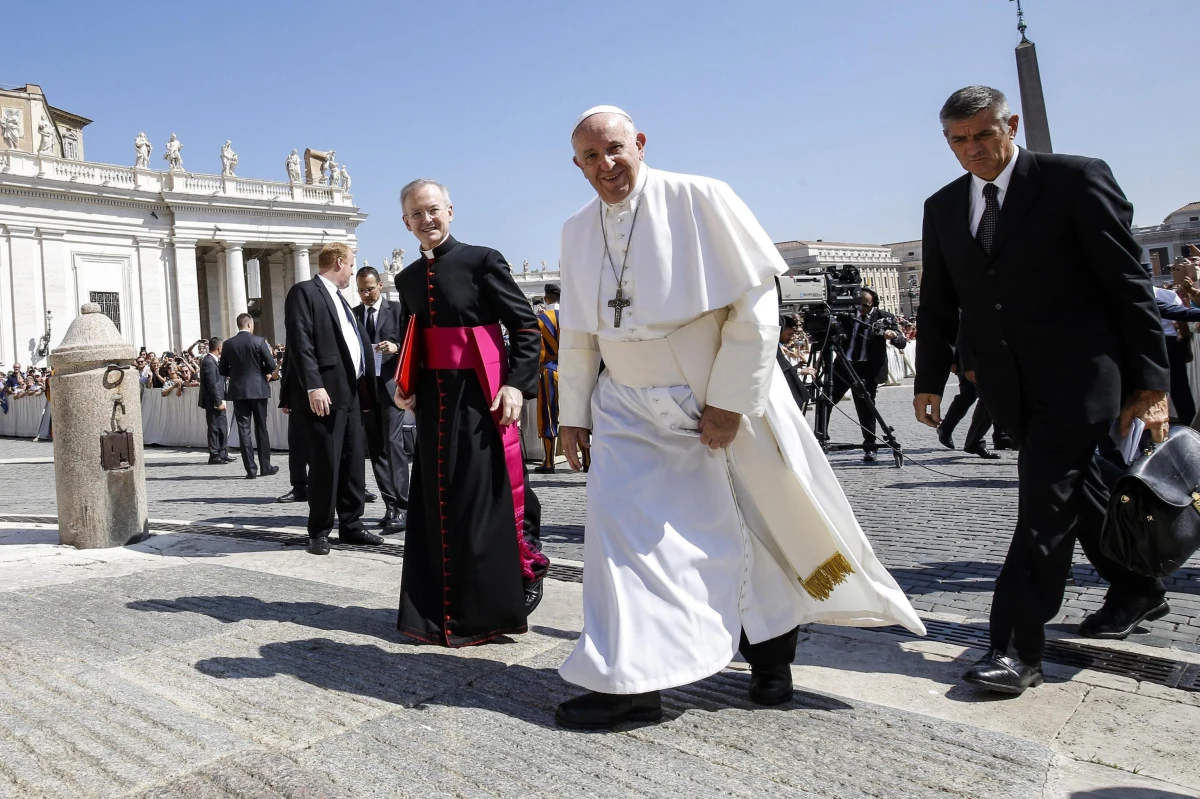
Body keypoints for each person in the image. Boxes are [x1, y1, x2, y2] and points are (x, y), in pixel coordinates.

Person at [554, 106, 923, 729]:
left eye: (614, 149)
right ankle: (631, 681)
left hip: (712, 393)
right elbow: (580, 336)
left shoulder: (702, 198)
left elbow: (754, 309)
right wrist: (573, 416)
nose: (605, 166)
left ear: (640, 143)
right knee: (621, 542)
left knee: (753, 527)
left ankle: (771, 657)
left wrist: (729, 402)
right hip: (625, 407)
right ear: (576, 164)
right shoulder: (575, 228)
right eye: (590, 157)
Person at [915, 86, 1171, 696]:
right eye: (958, 140)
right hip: (1008, 385)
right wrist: (928, 379)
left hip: (1081, 377)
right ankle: (1139, 588)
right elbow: (939, 302)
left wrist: (1152, 382)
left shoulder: (1075, 179)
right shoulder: (943, 205)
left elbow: (1128, 282)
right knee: (1077, 491)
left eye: (983, 134)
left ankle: (1014, 648)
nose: (973, 150)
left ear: (1012, 124)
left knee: (1044, 507)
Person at [392, 178, 549, 647]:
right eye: (417, 215)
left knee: (484, 504)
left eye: (434, 210)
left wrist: (517, 386)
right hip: (437, 406)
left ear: (450, 211)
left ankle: (490, 607)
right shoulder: (407, 280)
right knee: (438, 507)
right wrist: (404, 388)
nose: (427, 220)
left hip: (482, 402)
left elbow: (525, 327)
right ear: (406, 223)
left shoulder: (483, 261)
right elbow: (412, 342)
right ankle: (436, 613)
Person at [284, 242, 383, 554]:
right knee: (326, 462)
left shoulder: (341, 299)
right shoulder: (305, 292)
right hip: (324, 392)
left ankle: (352, 525)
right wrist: (313, 385)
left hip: (351, 391)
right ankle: (320, 530)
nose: (353, 270)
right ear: (340, 262)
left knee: (353, 460)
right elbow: (300, 341)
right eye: (351, 264)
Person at [815, 287, 907, 462]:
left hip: (867, 369)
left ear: (872, 303)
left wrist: (892, 335)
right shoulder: (847, 315)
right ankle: (820, 439)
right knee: (825, 401)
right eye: (857, 305)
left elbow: (901, 342)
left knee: (865, 408)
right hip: (843, 365)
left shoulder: (883, 317)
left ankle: (870, 446)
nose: (860, 309)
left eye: (864, 305)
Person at [354, 265, 413, 533]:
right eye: (361, 291)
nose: (366, 294)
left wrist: (396, 347)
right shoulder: (354, 315)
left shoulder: (397, 311)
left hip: (391, 387)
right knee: (375, 448)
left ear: (379, 285)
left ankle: (404, 505)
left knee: (393, 443)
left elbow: (413, 343)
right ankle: (391, 506)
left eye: (369, 289)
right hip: (366, 389)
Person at [219, 313, 279, 480]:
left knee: (243, 430)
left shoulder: (228, 344)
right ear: (250, 324)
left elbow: (222, 370)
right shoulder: (258, 341)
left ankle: (250, 469)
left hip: (238, 390)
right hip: (258, 389)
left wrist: (237, 373)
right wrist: (261, 371)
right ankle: (265, 466)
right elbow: (271, 365)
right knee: (261, 428)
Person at [936, 340, 999, 459]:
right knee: (989, 398)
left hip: (975, 357)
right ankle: (974, 441)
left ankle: (946, 428)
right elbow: (962, 331)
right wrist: (954, 358)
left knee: (968, 395)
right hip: (972, 359)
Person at [535, 283, 562, 473]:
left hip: (551, 369)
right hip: (574, 369)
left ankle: (549, 462)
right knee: (580, 412)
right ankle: (587, 460)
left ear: (546, 298)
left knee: (549, 414)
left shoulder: (542, 319)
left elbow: (540, 353)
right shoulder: (572, 318)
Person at [198, 336, 231, 465]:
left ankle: (223, 452)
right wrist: (218, 402)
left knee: (222, 426)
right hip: (213, 401)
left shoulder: (215, 360)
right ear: (218, 347)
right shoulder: (209, 362)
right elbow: (212, 384)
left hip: (220, 398)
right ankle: (214, 454)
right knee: (214, 427)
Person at [776, 315, 813, 409]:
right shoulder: (773, 347)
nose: (791, 338)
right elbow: (779, 372)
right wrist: (800, 371)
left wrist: (797, 368)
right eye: (789, 334)